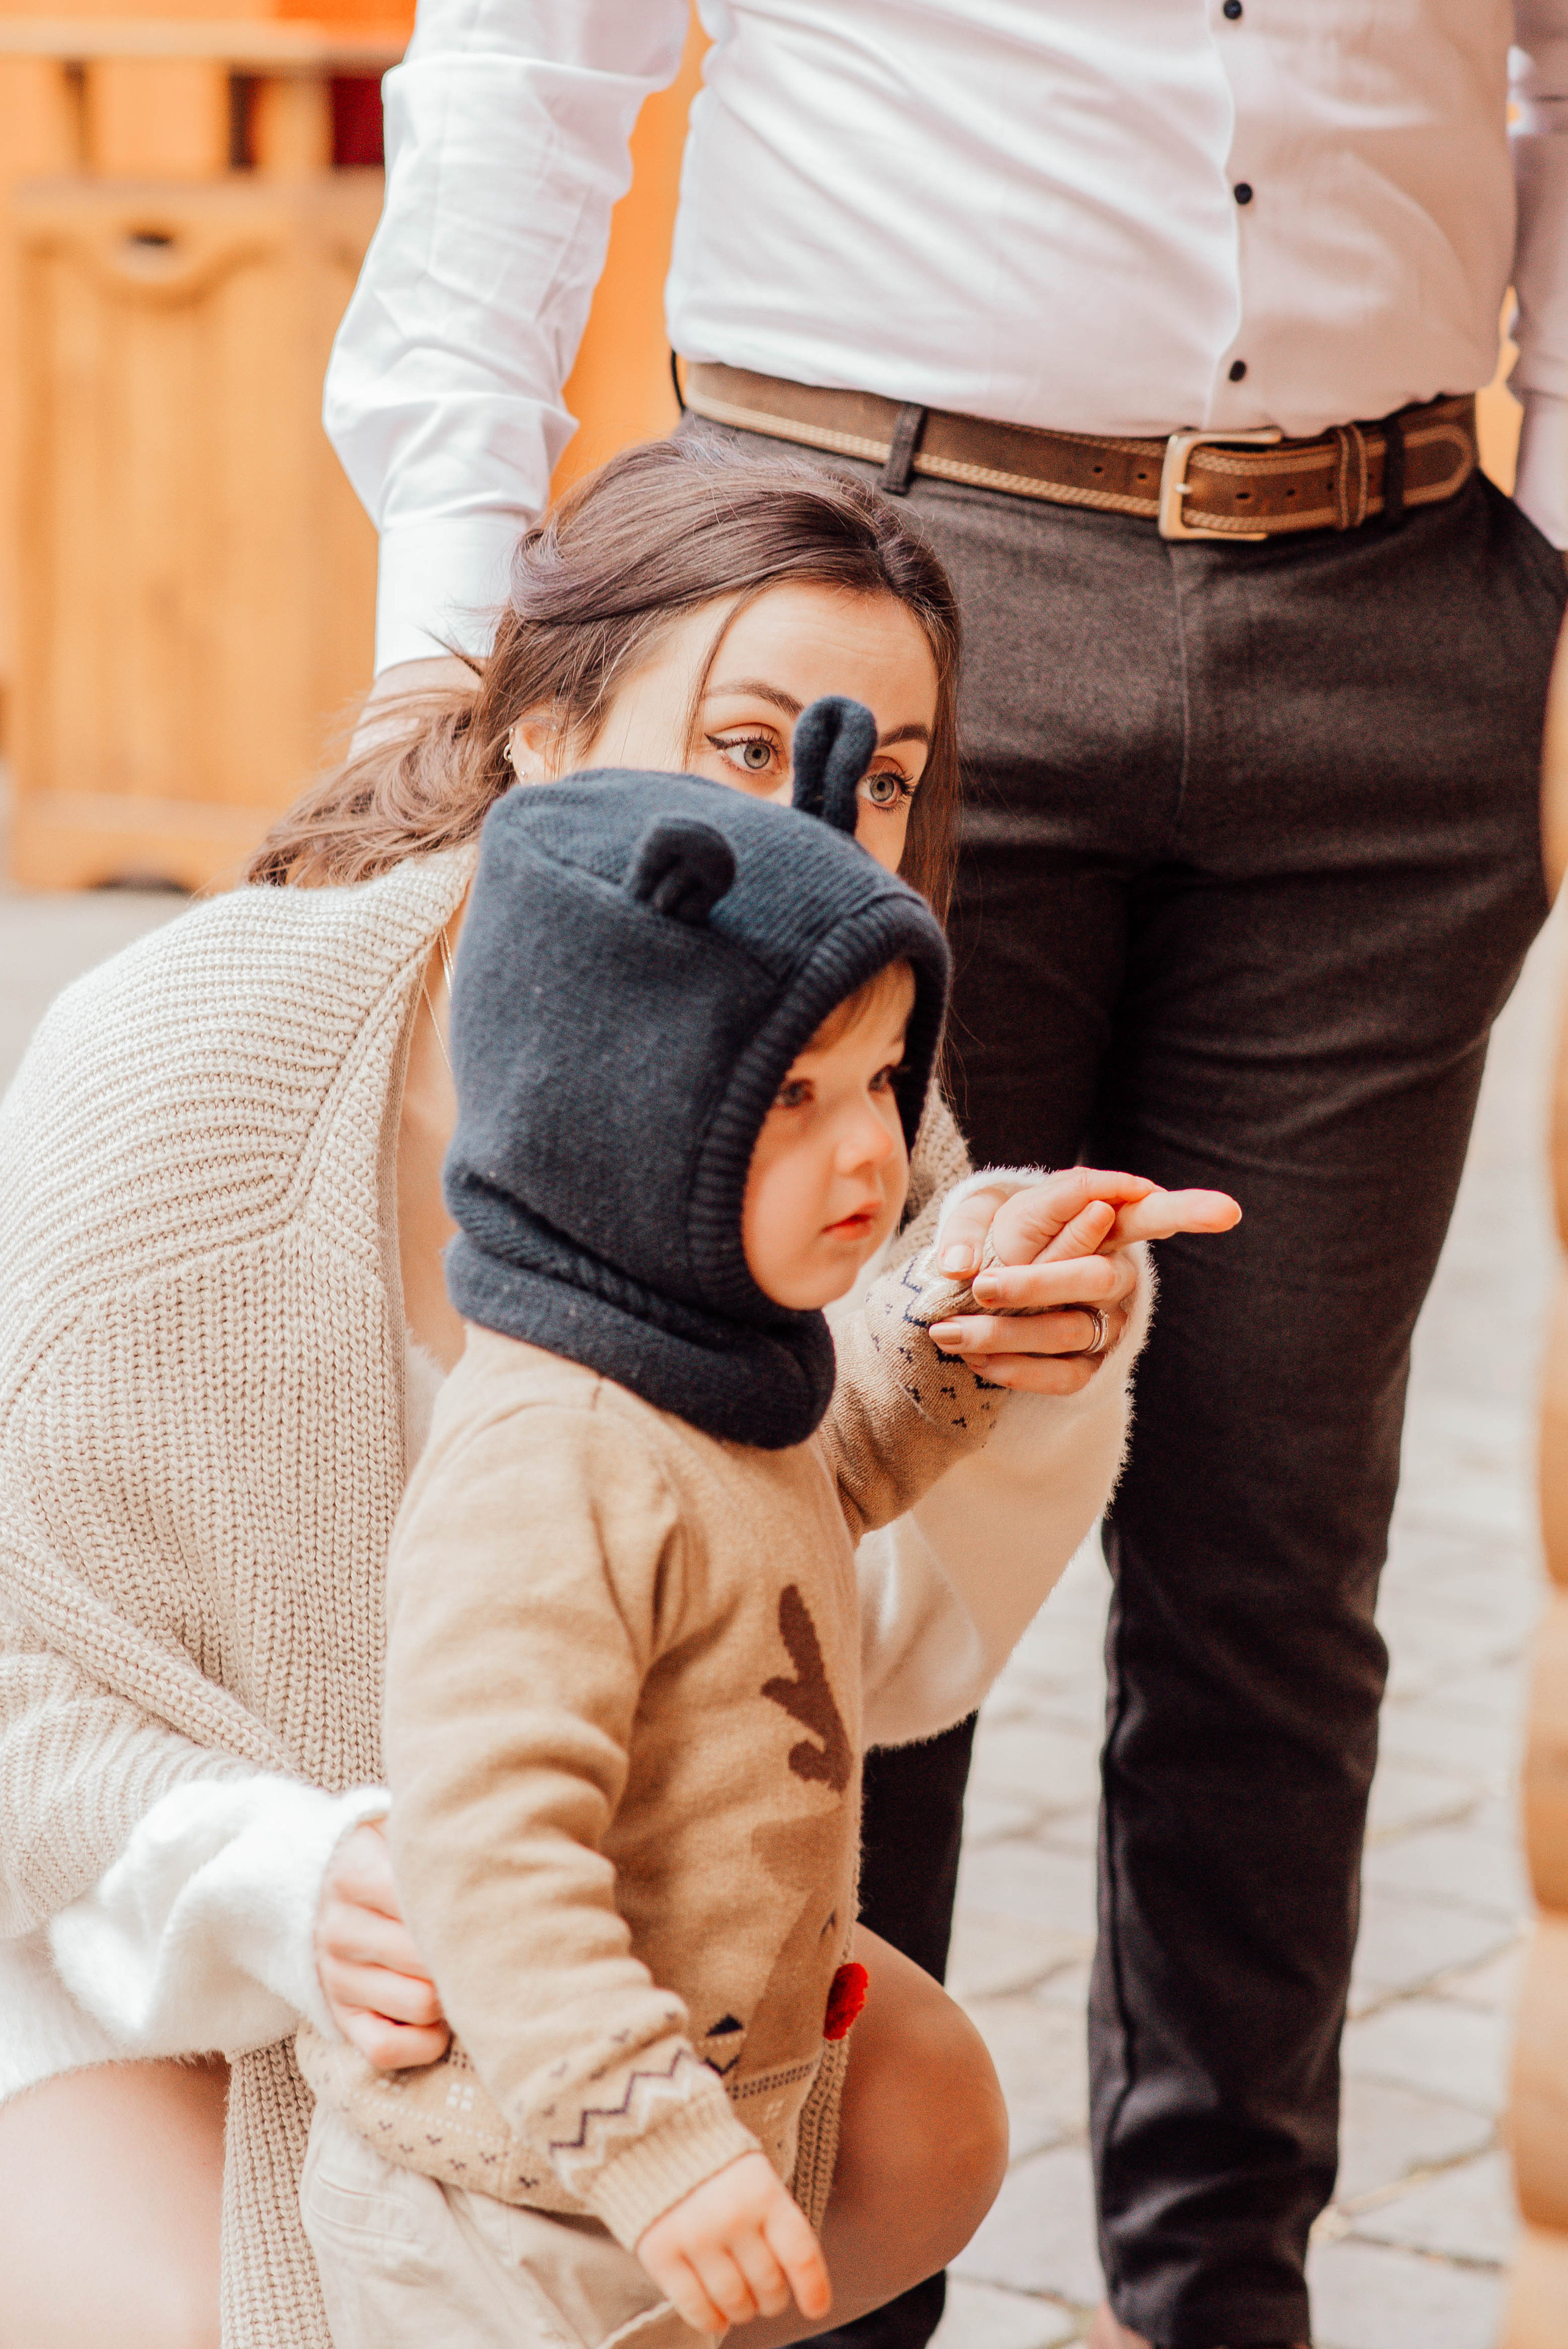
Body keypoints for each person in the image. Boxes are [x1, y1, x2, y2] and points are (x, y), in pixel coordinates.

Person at [322, 9, 1568, 2343]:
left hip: (1403, 627)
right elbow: (530, 54)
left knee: (1278, 1563)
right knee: (792, 1495)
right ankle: (804, 2294)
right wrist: (441, 655)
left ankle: (1224, 2299)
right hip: (868, 611)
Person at [0, 445, 1182, 2349]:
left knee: (920, 2110)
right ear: (539, 730)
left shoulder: (826, 1101)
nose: (836, 829)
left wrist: (998, 1365)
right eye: (749, 745)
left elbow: (819, 1660)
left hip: (525, 1965)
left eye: (883, 776)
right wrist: (297, 1879)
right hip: (119, 1921)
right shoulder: (177, 1065)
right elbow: (18, 1681)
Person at [295, 715, 1236, 2349]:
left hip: (674, 2152)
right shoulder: (551, 1456)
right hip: (511, 2213)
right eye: (793, 1095)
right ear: (620, 1106)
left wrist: (968, 1293)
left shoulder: (710, 1367)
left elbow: (839, 1452)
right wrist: (655, 2150)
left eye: (879, 1075)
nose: (870, 1144)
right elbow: (488, 1855)